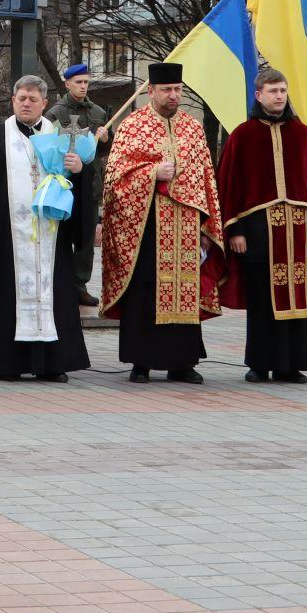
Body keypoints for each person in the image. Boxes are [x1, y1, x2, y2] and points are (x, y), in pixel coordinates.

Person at [0, 75, 91, 382]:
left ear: (44, 103)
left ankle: (52, 364)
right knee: (7, 298)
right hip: (8, 239)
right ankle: (7, 362)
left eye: (32, 99)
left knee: (51, 294)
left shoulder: (60, 137)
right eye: (21, 99)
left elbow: (78, 185)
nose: (26, 104)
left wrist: (80, 170)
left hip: (50, 235)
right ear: (13, 101)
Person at [100, 62, 224, 382]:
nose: (173, 95)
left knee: (184, 288)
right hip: (145, 225)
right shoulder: (133, 126)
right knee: (145, 290)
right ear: (151, 91)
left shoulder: (192, 128)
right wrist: (152, 173)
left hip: (185, 225)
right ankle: (140, 362)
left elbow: (206, 177)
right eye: (167, 90)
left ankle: (182, 363)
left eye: (178, 90)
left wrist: (208, 226)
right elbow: (115, 177)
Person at [216, 68, 307, 384]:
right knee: (261, 298)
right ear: (259, 95)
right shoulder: (242, 135)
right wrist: (235, 230)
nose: (279, 96)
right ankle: (259, 363)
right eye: (273, 91)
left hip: (299, 230)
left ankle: (291, 364)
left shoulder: (303, 134)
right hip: (257, 230)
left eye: (283, 90)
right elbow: (229, 186)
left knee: (299, 297)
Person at [46, 63, 111, 307]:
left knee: (85, 238)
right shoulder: (55, 113)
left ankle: (80, 284)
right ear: (67, 83)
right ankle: (60, 282)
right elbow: (48, 146)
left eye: (86, 82)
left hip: (90, 184)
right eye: (78, 82)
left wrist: (105, 139)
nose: (83, 86)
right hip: (62, 184)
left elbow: (105, 151)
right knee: (62, 235)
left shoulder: (97, 112)